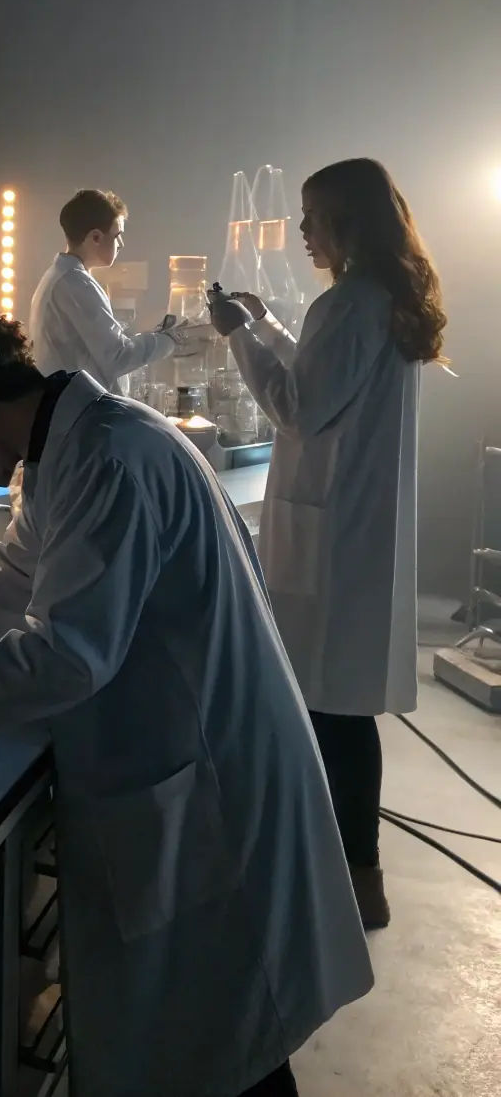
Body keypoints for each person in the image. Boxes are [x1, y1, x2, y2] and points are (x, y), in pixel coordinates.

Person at [0, 306, 373, 1097]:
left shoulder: (109, 456)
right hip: (195, 768)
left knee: (230, 1054)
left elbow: (69, 655)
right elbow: (20, 574)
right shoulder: (74, 443)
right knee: (216, 1044)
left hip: (210, 792)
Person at [208, 158, 446, 931]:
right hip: (353, 532)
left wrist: (240, 338)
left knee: (328, 711)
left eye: (312, 216)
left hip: (332, 540)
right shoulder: (381, 300)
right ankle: (352, 867)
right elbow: (327, 376)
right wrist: (270, 324)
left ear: (345, 220)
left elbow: (295, 404)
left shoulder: (349, 304)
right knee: (342, 709)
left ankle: (349, 872)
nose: (303, 230)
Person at [29, 187, 195, 393]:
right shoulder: (76, 284)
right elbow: (118, 356)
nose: (121, 243)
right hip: (78, 411)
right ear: (96, 237)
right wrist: (170, 339)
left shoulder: (62, 277)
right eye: (117, 235)